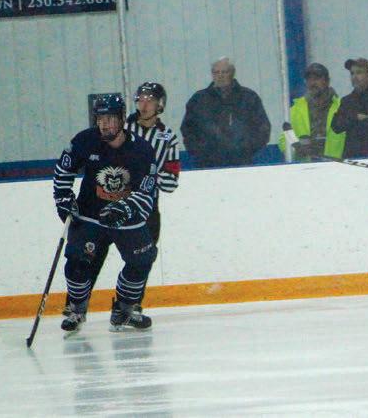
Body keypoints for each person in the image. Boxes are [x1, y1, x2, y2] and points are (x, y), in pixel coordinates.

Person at [53, 94, 160, 334]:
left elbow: (147, 193)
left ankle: (124, 310)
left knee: (142, 260)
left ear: (122, 119)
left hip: (127, 219)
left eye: (111, 119)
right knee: (76, 261)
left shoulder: (142, 150)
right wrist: (63, 198)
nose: (105, 124)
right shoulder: (84, 141)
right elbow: (63, 171)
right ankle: (76, 308)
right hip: (90, 215)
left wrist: (124, 208)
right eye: (101, 119)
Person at [180, 57, 271, 167]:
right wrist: (201, 151)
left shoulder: (249, 98)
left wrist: (245, 149)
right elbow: (187, 129)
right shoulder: (199, 100)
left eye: (224, 72)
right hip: (207, 164)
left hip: (242, 163)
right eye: (216, 72)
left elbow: (263, 128)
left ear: (232, 73)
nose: (220, 76)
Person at [126, 81, 181, 246]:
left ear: (159, 104)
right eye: (141, 100)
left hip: (148, 206)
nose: (144, 105)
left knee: (146, 256)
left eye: (149, 100)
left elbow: (171, 183)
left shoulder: (168, 138)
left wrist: (149, 174)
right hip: (116, 199)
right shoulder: (122, 129)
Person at [279, 62, 344, 161]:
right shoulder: (295, 110)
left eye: (316, 78)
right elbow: (284, 139)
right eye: (309, 79)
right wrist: (296, 149)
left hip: (337, 165)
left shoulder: (342, 107)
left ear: (327, 81)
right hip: (307, 167)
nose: (312, 83)